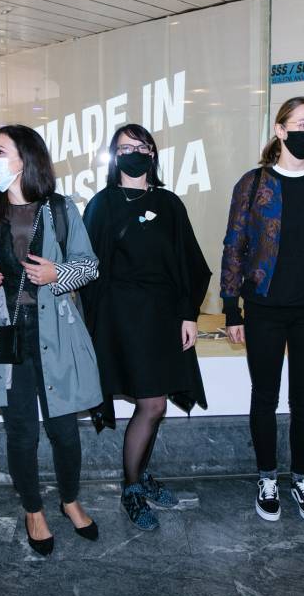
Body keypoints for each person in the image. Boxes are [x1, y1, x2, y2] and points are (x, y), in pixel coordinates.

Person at [0, 125, 102, 556]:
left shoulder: (60, 208)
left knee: (65, 430)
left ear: (25, 158)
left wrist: (58, 273)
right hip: (6, 336)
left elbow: (89, 265)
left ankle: (70, 500)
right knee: (20, 431)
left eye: (0, 151)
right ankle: (33, 510)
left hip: (55, 332)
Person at [220, 96, 304, 524]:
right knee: (264, 396)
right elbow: (234, 244)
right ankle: (266, 478)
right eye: (301, 123)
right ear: (280, 130)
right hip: (263, 308)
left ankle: (302, 477)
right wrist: (231, 308)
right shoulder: (253, 183)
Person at [81, 124, 212, 531]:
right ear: (114, 155)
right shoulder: (101, 204)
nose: (134, 153)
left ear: (153, 154)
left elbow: (190, 262)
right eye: (125, 147)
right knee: (152, 404)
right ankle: (131, 488)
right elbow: (87, 268)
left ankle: (140, 476)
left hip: (163, 317)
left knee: (155, 405)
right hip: (121, 319)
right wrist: (95, 329)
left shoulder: (169, 203)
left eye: (141, 146)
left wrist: (188, 314)